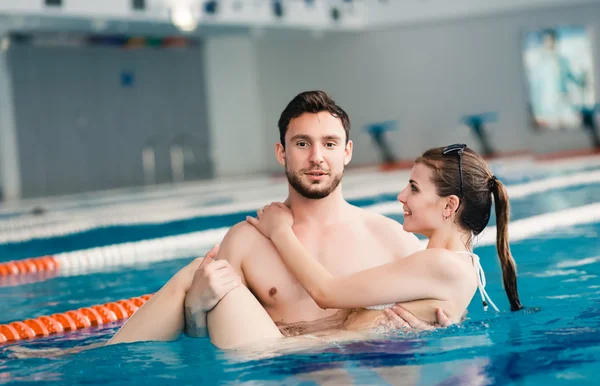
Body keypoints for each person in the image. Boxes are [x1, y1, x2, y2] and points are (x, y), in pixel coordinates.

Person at [108, 91, 451, 349]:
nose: (317, 157)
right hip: (271, 371)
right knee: (201, 274)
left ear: (347, 152)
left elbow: (442, 316)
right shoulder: (246, 240)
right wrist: (197, 309)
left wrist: (432, 326)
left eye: (329, 143)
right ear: (281, 152)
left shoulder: (390, 239)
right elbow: (201, 340)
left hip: (353, 370)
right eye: (302, 143)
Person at [246, 144, 523, 326]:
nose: (402, 196)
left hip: (307, 355)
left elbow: (325, 292)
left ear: (449, 205)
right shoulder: (461, 266)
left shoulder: (440, 262)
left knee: (218, 281)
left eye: (414, 188)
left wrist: (279, 231)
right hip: (331, 355)